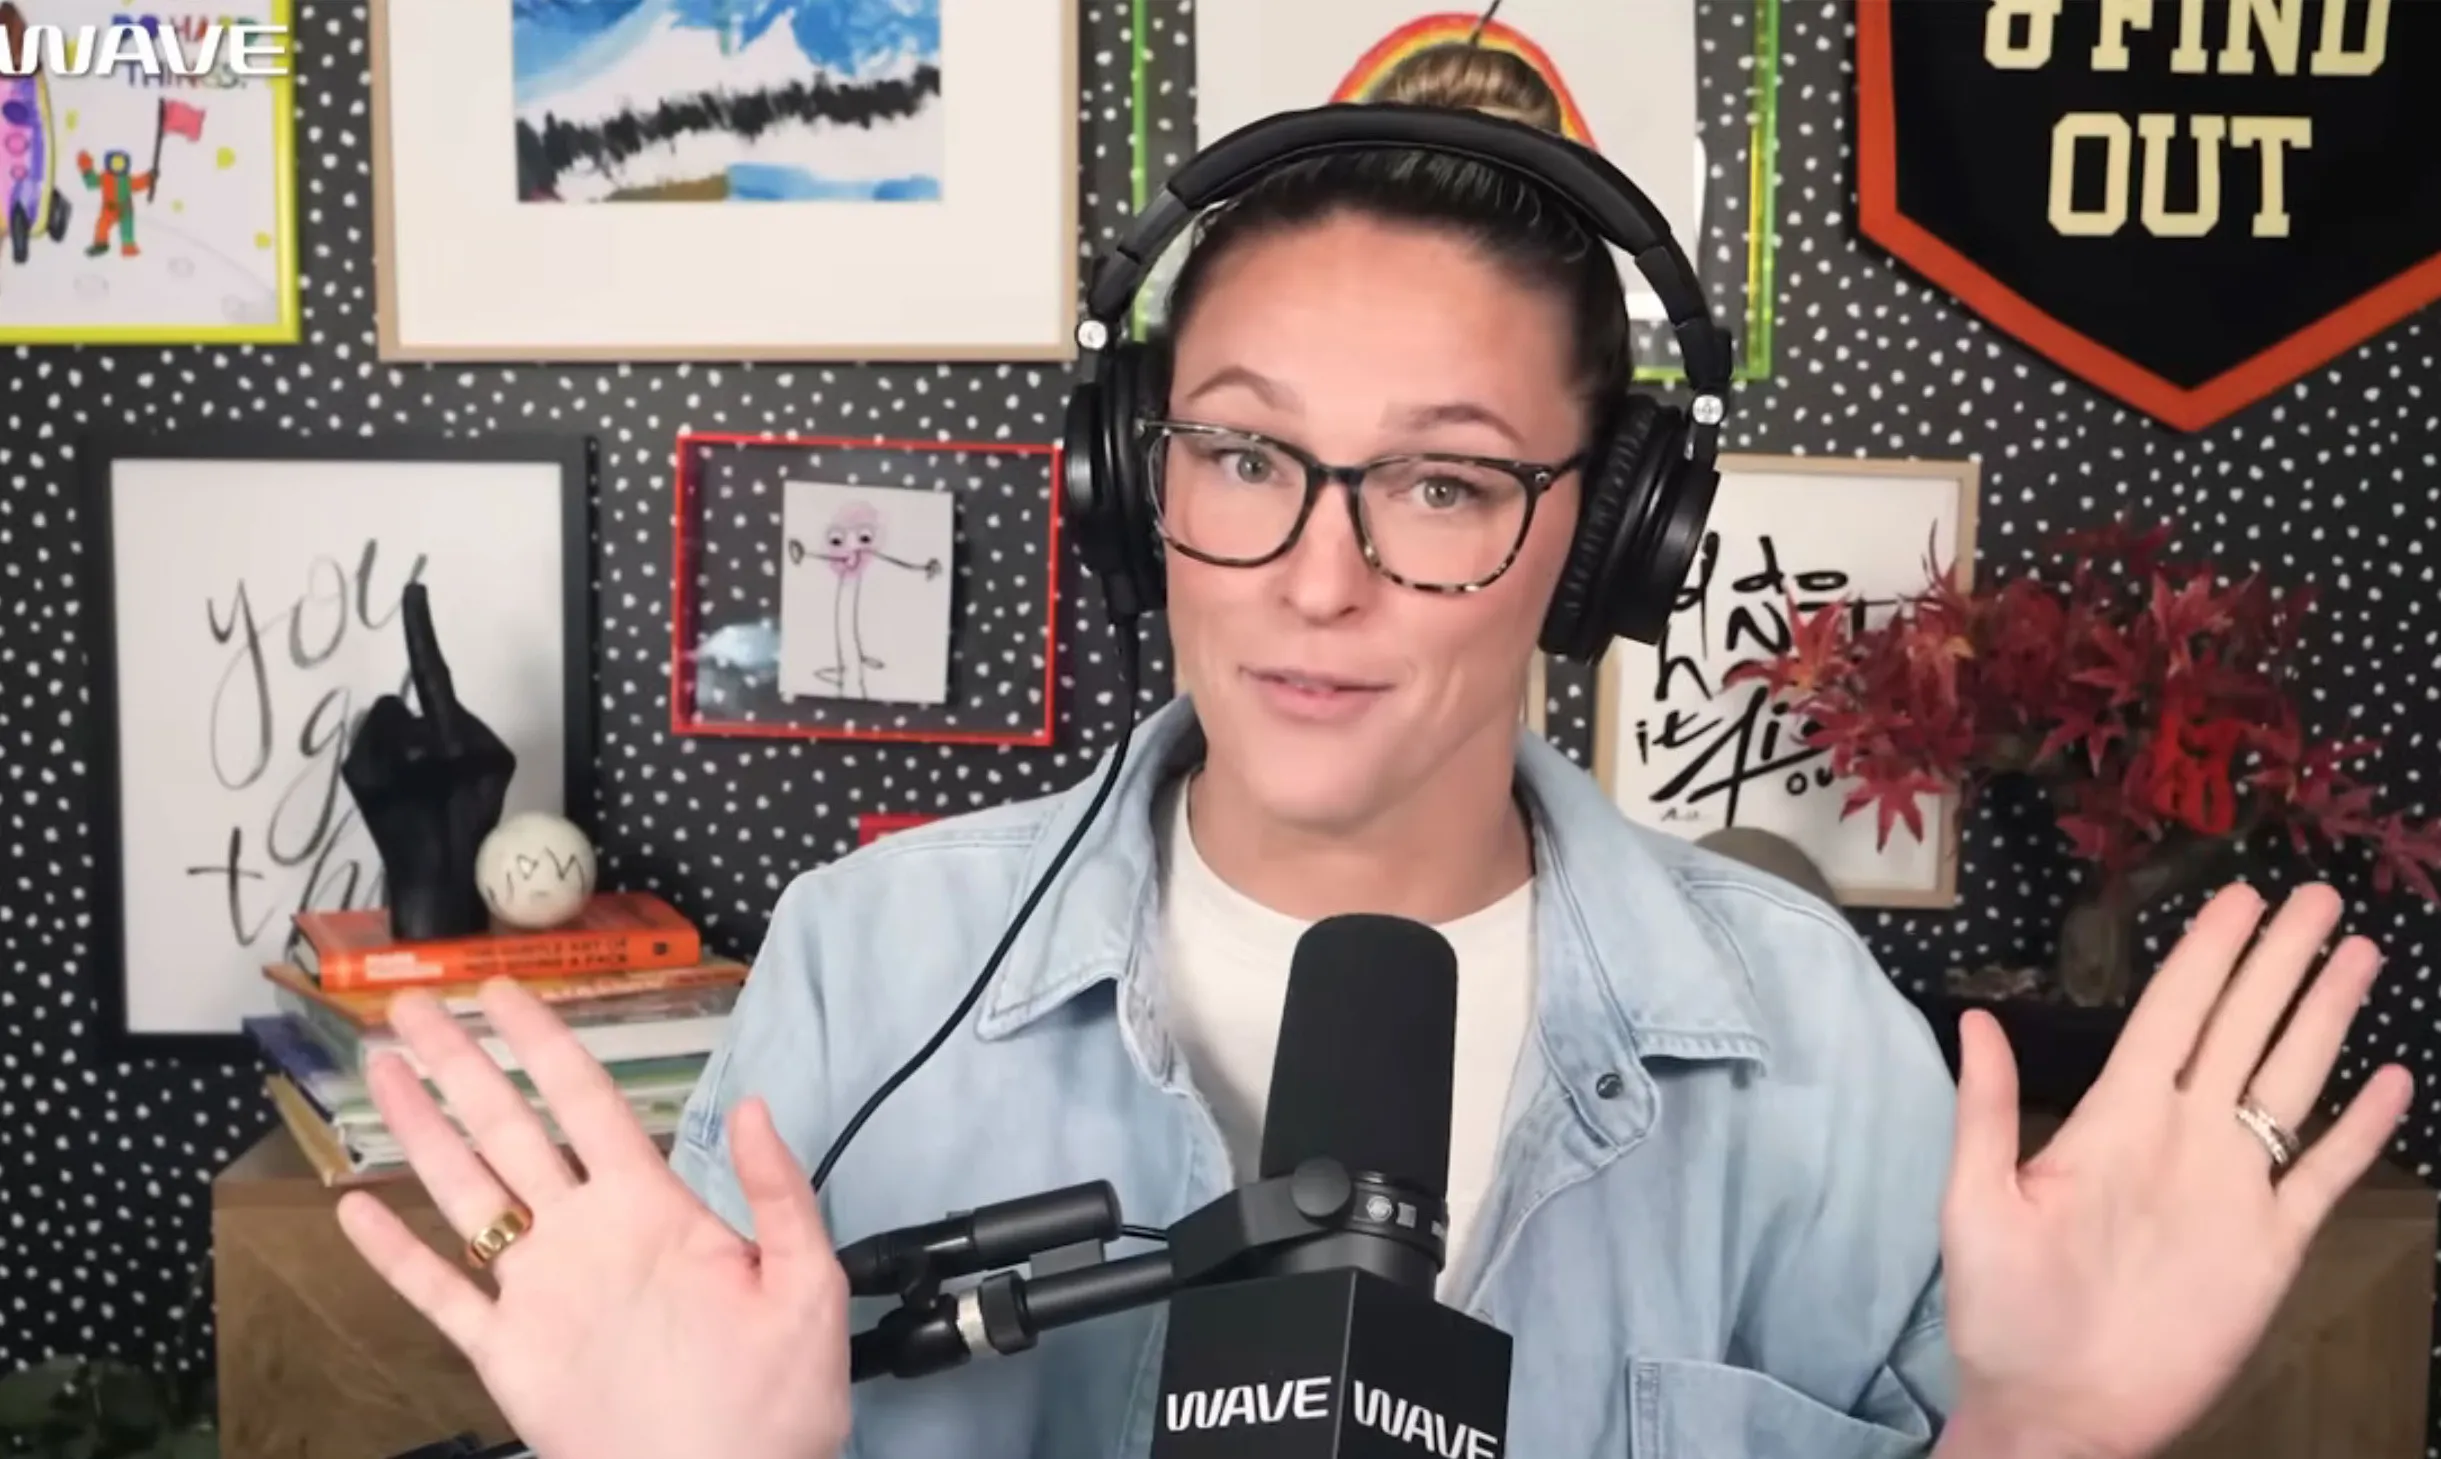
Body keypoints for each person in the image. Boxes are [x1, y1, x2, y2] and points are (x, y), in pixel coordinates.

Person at [334, 56, 2413, 1459]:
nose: (1312, 579)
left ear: (1603, 543)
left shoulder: (1807, 1048)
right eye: (1243, 453)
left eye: (1438, 485)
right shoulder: (869, 973)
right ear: (1130, 480)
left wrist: (2036, 1447)